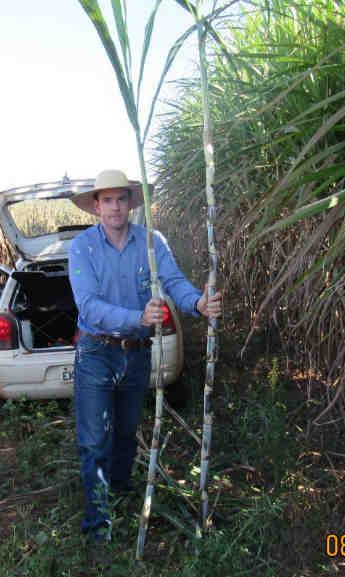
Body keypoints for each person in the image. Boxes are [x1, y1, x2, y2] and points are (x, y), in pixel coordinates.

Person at [67, 169, 222, 546]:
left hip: (137, 355)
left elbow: (174, 282)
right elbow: (87, 304)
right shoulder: (82, 247)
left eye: (122, 198)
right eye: (107, 200)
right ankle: (98, 527)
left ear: (132, 203)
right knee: (94, 441)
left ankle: (119, 492)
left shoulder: (151, 242)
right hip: (96, 352)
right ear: (96, 206)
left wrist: (199, 304)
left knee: (124, 433)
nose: (115, 207)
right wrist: (136, 317)